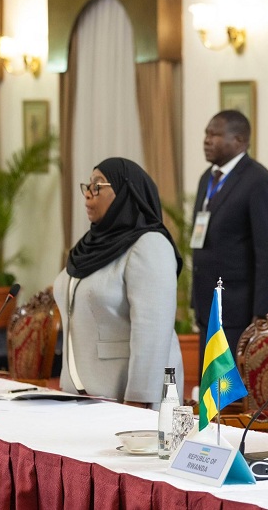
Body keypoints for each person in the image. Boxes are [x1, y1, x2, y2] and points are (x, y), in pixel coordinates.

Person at [53, 158, 183, 407]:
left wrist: (139, 400)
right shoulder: (88, 247)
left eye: (97, 186)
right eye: (87, 186)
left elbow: (153, 332)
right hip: (79, 395)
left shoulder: (150, 245)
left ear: (126, 191)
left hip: (128, 400)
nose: (88, 194)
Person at [191, 110, 268, 369]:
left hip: (240, 313)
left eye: (215, 134)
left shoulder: (258, 181)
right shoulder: (207, 178)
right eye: (206, 133)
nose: (207, 140)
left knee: (231, 390)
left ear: (239, 140)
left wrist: (263, 314)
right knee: (211, 389)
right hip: (209, 308)